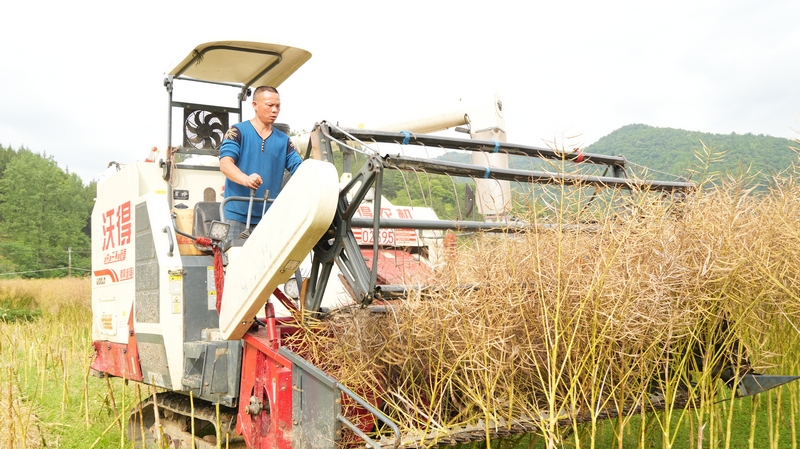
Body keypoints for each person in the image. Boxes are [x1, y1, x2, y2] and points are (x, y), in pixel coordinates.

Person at [219, 86, 303, 237]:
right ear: (255, 105)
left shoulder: (284, 141)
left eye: (278, 106)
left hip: (269, 219)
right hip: (235, 217)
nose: (275, 110)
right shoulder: (237, 131)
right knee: (235, 260)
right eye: (270, 105)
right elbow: (225, 164)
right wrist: (246, 179)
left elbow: (300, 169)